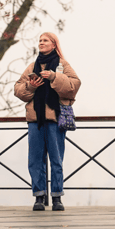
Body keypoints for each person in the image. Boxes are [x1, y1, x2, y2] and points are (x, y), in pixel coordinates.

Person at [14, 32, 81, 211]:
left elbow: (74, 86)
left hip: (55, 119)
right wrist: (30, 86)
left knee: (56, 160)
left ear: (54, 44)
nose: (41, 43)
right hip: (35, 120)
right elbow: (18, 90)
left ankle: (57, 198)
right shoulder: (32, 66)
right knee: (35, 160)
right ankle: (39, 197)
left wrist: (54, 77)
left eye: (45, 41)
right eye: (40, 41)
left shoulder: (62, 65)